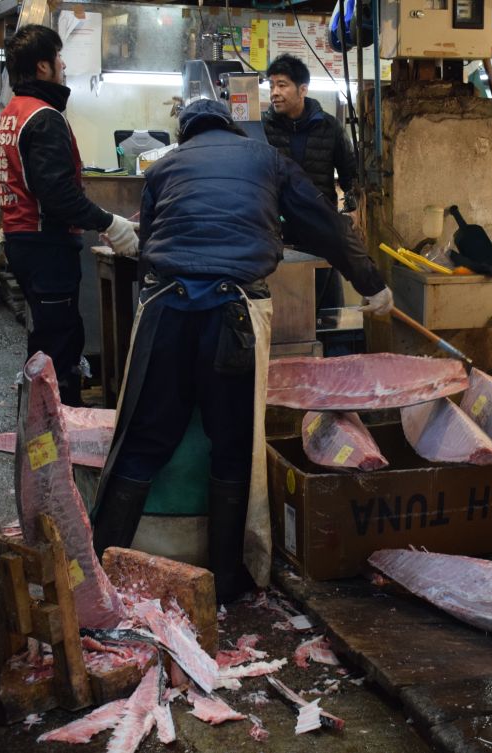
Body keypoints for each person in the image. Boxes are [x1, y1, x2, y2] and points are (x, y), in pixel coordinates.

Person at [90, 99, 393, 603]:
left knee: (143, 440)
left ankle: (100, 571)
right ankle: (226, 583)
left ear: (185, 134)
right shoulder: (268, 159)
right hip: (231, 316)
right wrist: (371, 282)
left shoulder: (164, 167)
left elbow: (148, 246)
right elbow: (324, 222)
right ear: (231, 128)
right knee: (230, 445)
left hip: (166, 313)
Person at [0, 24, 138, 406]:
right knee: (59, 346)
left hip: (26, 243)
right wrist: (110, 223)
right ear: (43, 66)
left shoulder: (12, 113)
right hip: (46, 247)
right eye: (59, 57)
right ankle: (58, 426)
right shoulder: (44, 117)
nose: (64, 64)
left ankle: (43, 422)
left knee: (48, 339)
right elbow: (58, 195)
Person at [263, 54, 356, 310]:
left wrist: (352, 210)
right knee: (283, 306)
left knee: (326, 305)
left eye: (282, 85)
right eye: (271, 85)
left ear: (302, 89)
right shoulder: (263, 128)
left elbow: (350, 175)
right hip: (276, 232)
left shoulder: (329, 127)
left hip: (319, 229)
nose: (274, 93)